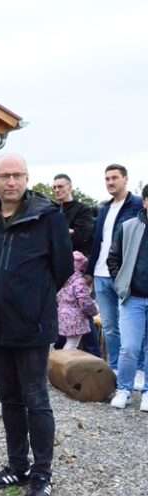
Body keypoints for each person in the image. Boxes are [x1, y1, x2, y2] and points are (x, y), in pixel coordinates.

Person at [0, 153, 72, 496]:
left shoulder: (48, 217)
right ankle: (17, 465)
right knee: (9, 399)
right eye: (4, 176)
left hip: (32, 326)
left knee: (36, 400)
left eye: (17, 175)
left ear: (27, 178)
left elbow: (63, 268)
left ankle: (42, 472)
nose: (11, 181)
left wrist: (32, 299)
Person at [88, 164, 144, 380]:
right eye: (107, 179)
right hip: (101, 275)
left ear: (125, 179)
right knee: (110, 327)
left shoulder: (137, 205)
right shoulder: (104, 208)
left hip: (125, 277)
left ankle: (138, 370)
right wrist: (90, 271)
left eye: (114, 178)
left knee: (133, 327)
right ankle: (115, 369)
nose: (110, 182)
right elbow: (98, 242)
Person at [107, 184, 148, 411]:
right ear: (145, 201)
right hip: (133, 298)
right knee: (129, 347)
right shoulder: (129, 226)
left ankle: (147, 392)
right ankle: (124, 389)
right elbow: (113, 258)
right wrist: (121, 284)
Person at [52, 173, 100, 356]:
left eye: (60, 186)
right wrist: (67, 232)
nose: (57, 190)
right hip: (57, 270)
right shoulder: (53, 211)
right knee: (63, 311)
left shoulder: (82, 210)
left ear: (70, 187)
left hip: (76, 272)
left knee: (82, 311)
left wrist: (62, 234)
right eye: (54, 187)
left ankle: (94, 354)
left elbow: (83, 235)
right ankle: (61, 351)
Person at [57, 251, 98, 350]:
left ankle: (53, 357)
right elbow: (84, 301)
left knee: (60, 342)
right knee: (72, 344)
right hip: (76, 319)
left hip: (61, 315)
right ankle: (66, 359)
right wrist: (94, 311)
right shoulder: (79, 282)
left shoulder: (62, 279)